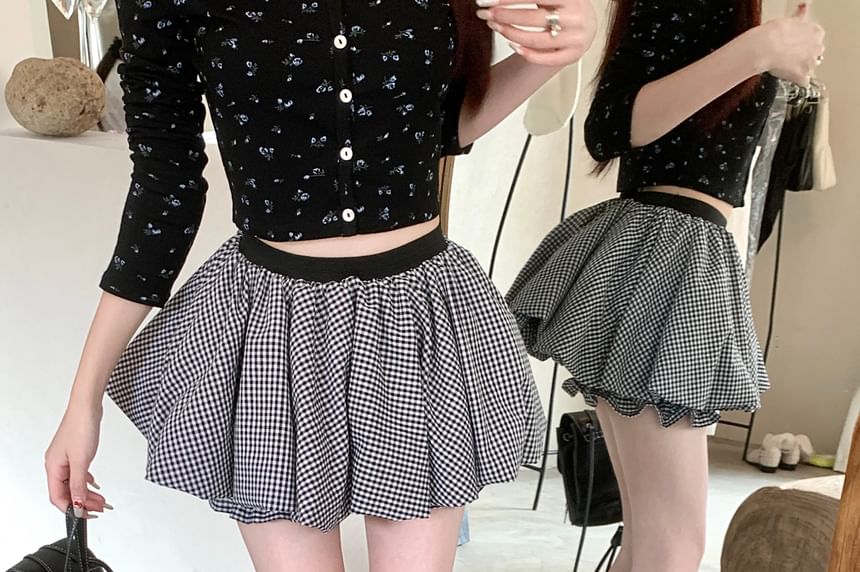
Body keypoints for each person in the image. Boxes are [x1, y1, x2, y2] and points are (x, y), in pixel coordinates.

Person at [44, 0, 598, 570]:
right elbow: (166, 187)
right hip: (271, 336)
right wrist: (83, 399)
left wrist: (551, 57)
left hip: (418, 319)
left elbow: (438, 125)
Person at [506, 2, 824, 571]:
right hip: (668, 256)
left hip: (675, 251)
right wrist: (758, 51)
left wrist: (767, 49)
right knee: (671, 542)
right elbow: (609, 127)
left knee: (653, 537)